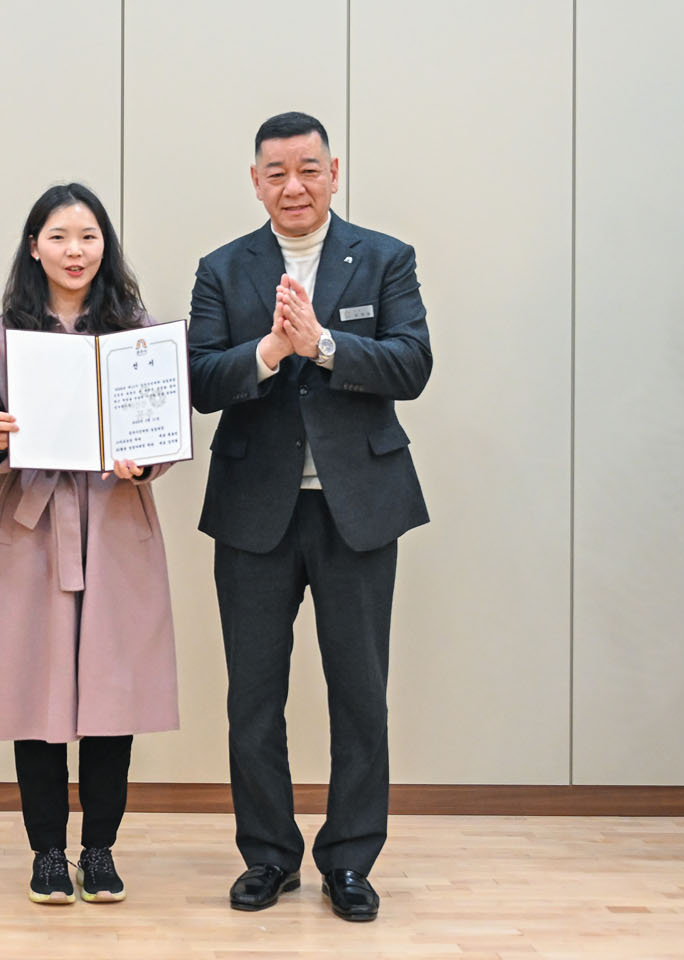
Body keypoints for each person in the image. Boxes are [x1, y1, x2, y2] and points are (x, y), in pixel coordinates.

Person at [185, 112, 432, 924]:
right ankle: (268, 855)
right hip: (254, 512)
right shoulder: (223, 269)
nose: (294, 186)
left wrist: (323, 344)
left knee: (360, 692)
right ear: (256, 182)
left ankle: (350, 860)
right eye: (277, 173)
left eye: (309, 169)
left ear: (334, 172)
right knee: (253, 696)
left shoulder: (385, 258)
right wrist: (269, 352)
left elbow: (412, 364)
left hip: (357, 508)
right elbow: (200, 380)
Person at [0, 183, 179, 907]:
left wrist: (145, 458)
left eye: (88, 236)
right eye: (58, 236)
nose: (74, 251)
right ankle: (47, 851)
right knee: (36, 691)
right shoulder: (5, 334)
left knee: (113, 691)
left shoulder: (135, 329)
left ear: (105, 245)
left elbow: (163, 422)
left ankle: (99, 849)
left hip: (115, 524)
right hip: (36, 530)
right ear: (34, 247)